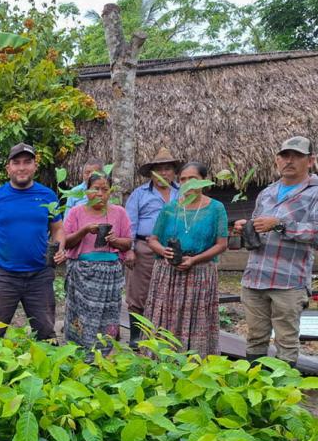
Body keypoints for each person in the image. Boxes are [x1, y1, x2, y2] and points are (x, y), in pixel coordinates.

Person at [0, 142, 66, 340]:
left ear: (35, 166)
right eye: (16, 163)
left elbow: (58, 229)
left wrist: (60, 247)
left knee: (45, 333)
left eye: (27, 162)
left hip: (40, 276)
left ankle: (45, 369)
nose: (22, 167)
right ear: (8, 168)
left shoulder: (47, 195)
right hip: (3, 275)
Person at [234, 136, 318, 367]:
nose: (289, 161)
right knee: (255, 338)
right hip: (255, 278)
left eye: (297, 156)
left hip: (289, 281)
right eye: (284, 155)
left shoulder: (315, 193)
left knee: (286, 341)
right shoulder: (267, 193)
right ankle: (256, 391)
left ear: (310, 161)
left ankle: (282, 397)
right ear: (276, 160)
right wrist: (247, 227)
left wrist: (279, 225)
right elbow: (260, 226)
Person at [145, 162, 228, 357]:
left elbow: (221, 244)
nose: (187, 183)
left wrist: (194, 259)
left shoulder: (216, 208)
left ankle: (195, 363)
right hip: (168, 273)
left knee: (197, 320)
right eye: (183, 179)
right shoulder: (170, 208)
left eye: (193, 179)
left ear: (204, 182)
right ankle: (161, 362)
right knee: (166, 318)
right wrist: (164, 251)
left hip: (200, 273)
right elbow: (153, 240)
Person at [63, 173, 132, 359]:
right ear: (87, 191)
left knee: (107, 316)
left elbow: (128, 243)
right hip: (82, 274)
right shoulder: (76, 212)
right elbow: (66, 242)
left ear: (110, 192)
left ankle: (103, 357)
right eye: (95, 189)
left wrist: (115, 241)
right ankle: (79, 356)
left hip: (110, 275)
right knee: (82, 315)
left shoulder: (119, 212)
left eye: (104, 189)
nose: (100, 194)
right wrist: (85, 230)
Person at [124, 147, 180, 346]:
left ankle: (166, 335)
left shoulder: (182, 193)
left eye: (167, 169)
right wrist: (129, 249)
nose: (163, 173)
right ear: (151, 173)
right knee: (139, 291)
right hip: (144, 247)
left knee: (172, 290)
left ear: (174, 172)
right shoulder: (139, 194)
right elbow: (130, 221)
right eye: (159, 169)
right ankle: (136, 338)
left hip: (174, 248)